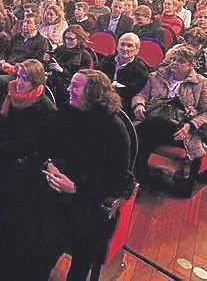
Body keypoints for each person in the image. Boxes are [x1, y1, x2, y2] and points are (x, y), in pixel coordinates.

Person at [7, 69, 133, 281]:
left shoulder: (114, 129)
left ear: (93, 93)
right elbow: (42, 144)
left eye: (75, 86)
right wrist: (48, 165)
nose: (68, 89)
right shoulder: (68, 111)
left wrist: (75, 188)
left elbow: (118, 181)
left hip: (89, 197)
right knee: (17, 200)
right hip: (54, 181)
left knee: (55, 235)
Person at [0, 59, 57, 279]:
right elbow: (0, 124)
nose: (18, 82)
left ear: (36, 83)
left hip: (26, 163)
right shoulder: (11, 97)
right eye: (18, 76)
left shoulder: (43, 107)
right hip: (3, 155)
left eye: (25, 79)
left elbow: (32, 144)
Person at [131, 46, 207, 180]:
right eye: (173, 59)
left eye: (181, 61)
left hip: (181, 129)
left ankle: (136, 176)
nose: (174, 63)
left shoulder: (201, 83)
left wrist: (190, 125)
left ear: (191, 65)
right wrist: (139, 104)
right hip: (153, 121)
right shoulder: (156, 76)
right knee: (147, 130)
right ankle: (137, 175)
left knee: (140, 133)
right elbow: (141, 95)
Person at [98, 33, 150, 116]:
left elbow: (134, 92)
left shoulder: (141, 69)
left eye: (129, 46)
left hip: (123, 106)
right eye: (122, 44)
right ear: (117, 47)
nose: (125, 48)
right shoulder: (106, 61)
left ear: (137, 50)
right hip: (101, 98)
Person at [46, 25, 93, 101]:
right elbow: (50, 67)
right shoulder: (60, 49)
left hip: (71, 85)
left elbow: (82, 78)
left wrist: (62, 70)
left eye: (71, 39)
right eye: (66, 38)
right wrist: (48, 60)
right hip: (54, 81)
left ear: (79, 39)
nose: (67, 41)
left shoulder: (85, 56)